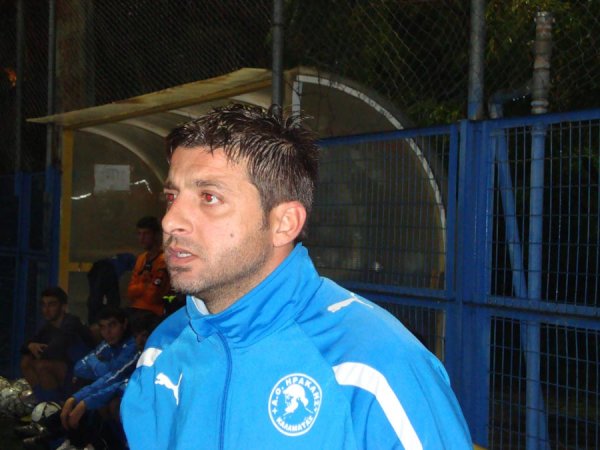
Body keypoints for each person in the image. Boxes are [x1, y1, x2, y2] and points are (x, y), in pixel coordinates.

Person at [121, 104, 473, 449]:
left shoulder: (373, 365)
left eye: (209, 197)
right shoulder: (162, 352)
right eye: (172, 197)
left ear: (284, 223)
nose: (170, 221)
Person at [20, 307, 143, 450]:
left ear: (124, 324)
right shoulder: (107, 345)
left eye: (112, 325)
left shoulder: (133, 347)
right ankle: (64, 436)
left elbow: (114, 377)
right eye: (103, 327)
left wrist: (83, 399)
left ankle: (61, 435)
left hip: (127, 394)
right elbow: (80, 366)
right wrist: (102, 368)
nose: (107, 332)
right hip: (109, 385)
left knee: (102, 399)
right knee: (83, 383)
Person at [20, 286, 94, 404]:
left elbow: (56, 349)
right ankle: (42, 400)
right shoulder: (47, 327)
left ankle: (54, 406)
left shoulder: (72, 323)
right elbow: (24, 347)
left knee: (42, 366)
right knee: (26, 361)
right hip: (67, 370)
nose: (46, 309)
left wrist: (38, 350)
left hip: (84, 373)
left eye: (51, 304)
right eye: (43, 305)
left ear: (63, 306)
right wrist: (31, 346)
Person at [126, 216, 170, 317]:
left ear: (156, 235)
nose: (142, 238)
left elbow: (153, 296)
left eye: (146, 234)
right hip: (136, 309)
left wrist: (139, 286)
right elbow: (130, 292)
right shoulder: (141, 258)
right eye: (139, 234)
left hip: (155, 312)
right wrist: (144, 285)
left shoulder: (164, 260)